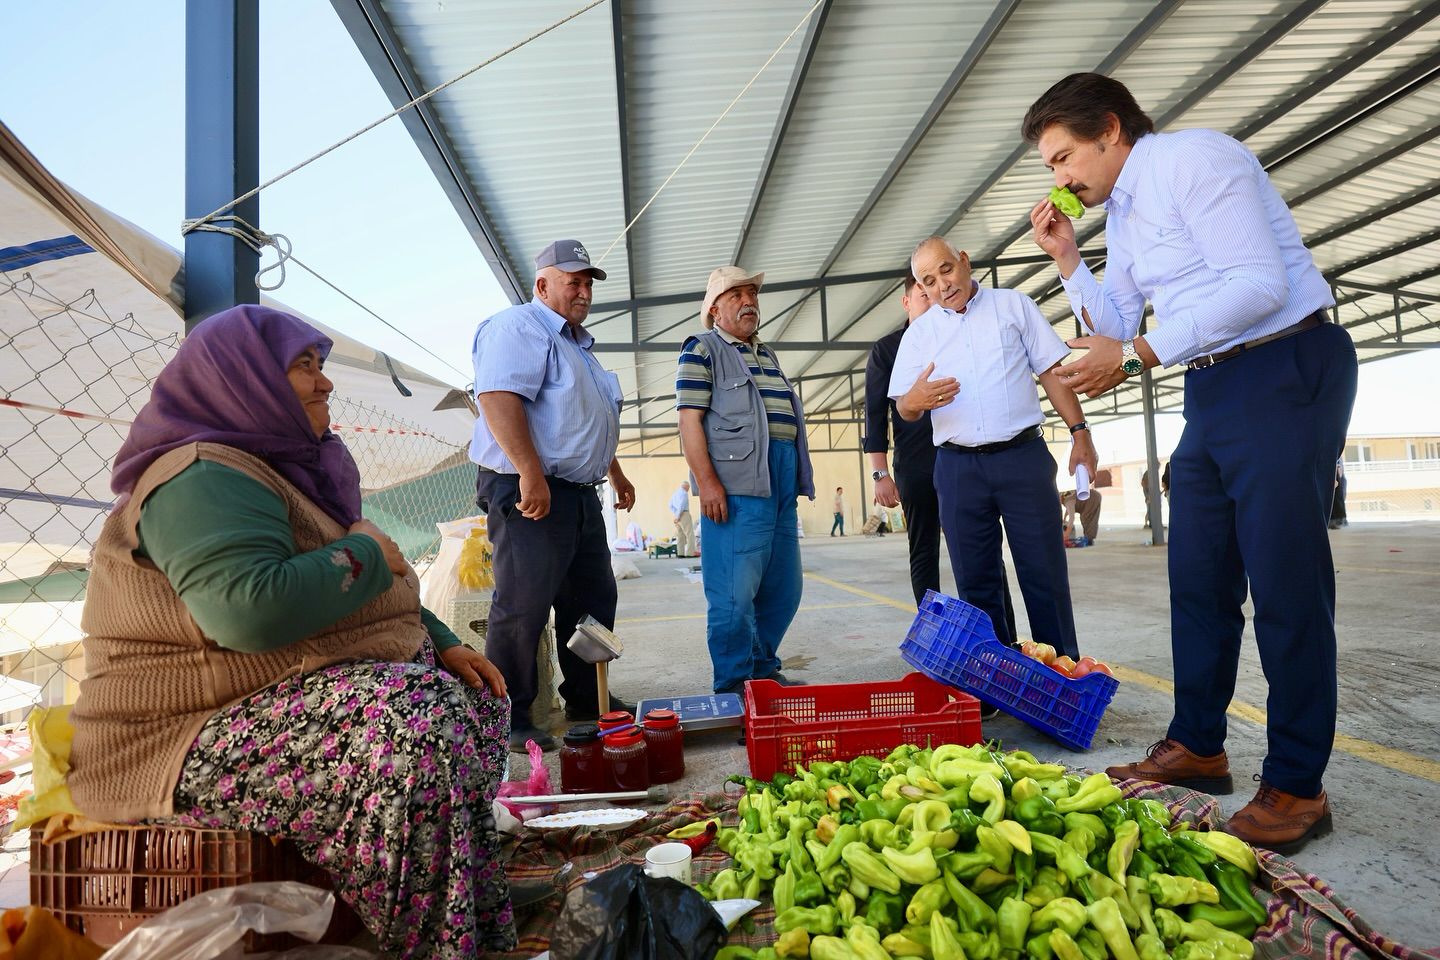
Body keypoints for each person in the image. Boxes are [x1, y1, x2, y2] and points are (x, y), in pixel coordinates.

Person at [68, 305, 515, 958]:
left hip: (266, 700)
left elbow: (373, 586)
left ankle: (469, 903)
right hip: (179, 733)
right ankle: (432, 941)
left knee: (469, 691)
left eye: (321, 365)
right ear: (242, 378)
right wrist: (364, 551)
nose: (324, 382)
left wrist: (442, 639)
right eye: (303, 365)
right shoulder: (200, 474)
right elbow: (248, 612)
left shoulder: (279, 471)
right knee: (413, 720)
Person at [1026, 72, 1357, 852]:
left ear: (1111, 129)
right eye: (1052, 167)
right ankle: (1199, 746)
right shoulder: (1130, 214)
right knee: (1199, 578)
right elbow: (1114, 318)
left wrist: (1137, 354)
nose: (1062, 179)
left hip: (1284, 363)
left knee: (1285, 584)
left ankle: (1298, 785)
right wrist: (1070, 258)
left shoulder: (1195, 161)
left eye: (1064, 156)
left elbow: (1257, 283)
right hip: (1212, 386)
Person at [889, 236, 1098, 660]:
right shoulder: (920, 334)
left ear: (964, 261)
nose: (942, 285)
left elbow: (1052, 373)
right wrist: (917, 400)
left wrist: (1080, 432)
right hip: (958, 468)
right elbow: (904, 408)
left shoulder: (1013, 306)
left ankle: (1060, 677)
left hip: (1023, 460)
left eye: (947, 270)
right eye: (928, 281)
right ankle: (996, 674)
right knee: (976, 580)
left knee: (1043, 572)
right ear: (921, 290)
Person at [471, 239, 637, 751]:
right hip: (531, 487)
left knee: (592, 598)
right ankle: (508, 715)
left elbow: (586, 420)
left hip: (577, 492)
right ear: (543, 284)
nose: (584, 291)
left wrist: (616, 470)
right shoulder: (519, 326)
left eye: (588, 283)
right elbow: (498, 398)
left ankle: (588, 696)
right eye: (574, 281)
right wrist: (529, 473)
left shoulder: (577, 346)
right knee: (523, 603)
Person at [676, 266, 815, 694]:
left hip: (781, 484)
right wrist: (708, 483)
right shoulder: (701, 349)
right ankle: (735, 684)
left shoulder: (766, 354)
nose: (749, 300)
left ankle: (761, 669)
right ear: (714, 309)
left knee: (783, 588)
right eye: (736, 294)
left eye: (752, 293)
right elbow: (688, 421)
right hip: (737, 487)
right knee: (734, 597)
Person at [864, 272, 1019, 638]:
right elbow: (873, 414)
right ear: (906, 302)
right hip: (916, 466)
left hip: (965, 461)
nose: (931, 299)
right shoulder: (888, 348)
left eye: (933, 292)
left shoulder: (956, 335)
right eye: (922, 294)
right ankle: (931, 632)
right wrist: (878, 473)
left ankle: (1003, 636)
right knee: (924, 549)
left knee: (984, 550)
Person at [671, 479, 696, 556]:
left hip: (676, 515)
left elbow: (670, 505)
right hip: (683, 514)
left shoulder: (675, 493)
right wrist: (678, 515)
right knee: (690, 534)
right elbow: (681, 505)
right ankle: (690, 553)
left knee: (680, 535)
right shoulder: (684, 493)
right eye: (688, 488)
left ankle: (680, 553)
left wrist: (675, 514)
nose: (688, 489)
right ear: (686, 487)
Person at [1329, 457, 1348, 529]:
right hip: (1333, 467)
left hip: (1335, 467)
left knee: (1337, 494)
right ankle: (1335, 519)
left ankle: (1337, 519)